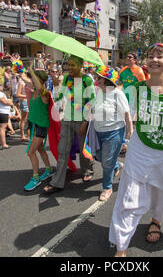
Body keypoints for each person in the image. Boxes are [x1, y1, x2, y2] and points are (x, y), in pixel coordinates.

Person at [109, 43, 163, 257]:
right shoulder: (139, 88)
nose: (154, 59)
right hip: (140, 150)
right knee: (129, 197)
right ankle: (122, 246)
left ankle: (156, 221)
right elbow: (127, 110)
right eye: (150, 55)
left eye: (160, 55)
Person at [43, 55, 95, 194]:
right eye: (68, 65)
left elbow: (92, 101)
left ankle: (88, 170)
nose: (70, 68)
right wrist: (56, 86)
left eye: (73, 65)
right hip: (67, 119)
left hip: (82, 120)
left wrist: (85, 121)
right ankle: (57, 182)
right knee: (62, 150)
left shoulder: (87, 79)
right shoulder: (66, 78)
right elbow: (61, 97)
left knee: (84, 149)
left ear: (80, 66)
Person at [93, 65, 133, 201]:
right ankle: (116, 165)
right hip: (98, 132)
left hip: (114, 133)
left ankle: (107, 187)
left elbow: (127, 114)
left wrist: (129, 133)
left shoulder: (117, 94)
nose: (97, 80)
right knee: (96, 155)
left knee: (107, 161)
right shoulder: (99, 92)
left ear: (107, 80)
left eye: (100, 78)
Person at [20, 69, 54, 190]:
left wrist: (31, 72)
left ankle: (35, 178)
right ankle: (49, 170)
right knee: (40, 149)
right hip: (34, 124)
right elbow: (23, 77)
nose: (31, 80)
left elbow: (40, 86)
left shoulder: (44, 93)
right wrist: (18, 66)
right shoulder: (34, 89)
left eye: (33, 78)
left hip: (41, 126)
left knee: (31, 152)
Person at [16, 74, 29, 141]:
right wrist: (27, 96)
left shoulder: (28, 81)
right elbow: (17, 94)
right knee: (24, 119)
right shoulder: (21, 82)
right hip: (24, 102)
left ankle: (27, 134)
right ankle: (22, 135)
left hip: (29, 102)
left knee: (29, 119)